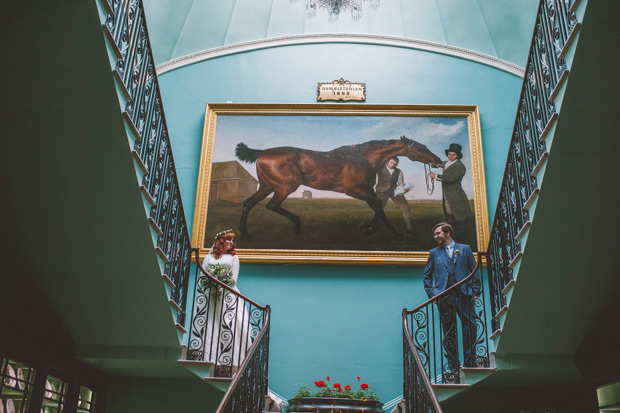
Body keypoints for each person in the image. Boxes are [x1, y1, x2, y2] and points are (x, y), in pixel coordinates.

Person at [423, 222, 480, 381]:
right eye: (435, 234)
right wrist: (433, 294)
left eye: (437, 234)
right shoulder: (434, 253)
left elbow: (474, 272)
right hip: (444, 297)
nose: (435, 237)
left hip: (464, 296)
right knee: (449, 333)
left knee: (471, 328)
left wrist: (475, 292)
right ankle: (453, 367)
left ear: (447, 232)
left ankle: (469, 363)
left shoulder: (465, 249)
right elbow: (427, 277)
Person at [200, 229, 250, 376]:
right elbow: (203, 274)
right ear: (221, 241)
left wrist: (221, 286)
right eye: (228, 240)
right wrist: (212, 286)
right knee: (211, 322)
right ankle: (210, 356)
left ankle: (232, 360)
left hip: (228, 294)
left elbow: (233, 278)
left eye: (233, 241)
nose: (231, 243)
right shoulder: (209, 258)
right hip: (212, 295)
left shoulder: (234, 258)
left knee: (229, 323)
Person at [429, 143, 470, 233]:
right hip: (447, 193)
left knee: (458, 212)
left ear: (457, 156)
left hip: (455, 194)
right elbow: (437, 164)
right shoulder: (447, 163)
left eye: (453, 155)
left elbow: (450, 179)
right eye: (449, 154)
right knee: (448, 211)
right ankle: (450, 229)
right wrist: (429, 162)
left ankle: (461, 231)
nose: (451, 156)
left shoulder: (460, 167)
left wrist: (435, 176)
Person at [374, 157, 414, 235]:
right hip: (382, 191)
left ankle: (409, 229)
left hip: (395, 191)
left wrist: (405, 189)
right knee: (378, 209)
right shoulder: (379, 169)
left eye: (395, 164)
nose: (393, 165)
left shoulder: (399, 171)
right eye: (391, 162)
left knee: (406, 208)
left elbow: (400, 183)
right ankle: (371, 226)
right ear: (387, 161)